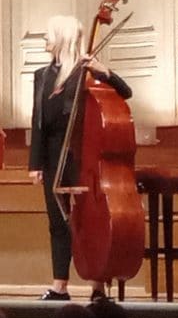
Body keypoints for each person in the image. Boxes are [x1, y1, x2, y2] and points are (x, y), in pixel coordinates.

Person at [29, 15, 131, 301]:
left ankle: (98, 285)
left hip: (84, 155)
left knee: (90, 222)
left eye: (48, 33)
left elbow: (126, 92)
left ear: (62, 37)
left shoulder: (87, 72)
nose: (44, 38)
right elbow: (38, 122)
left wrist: (104, 72)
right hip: (53, 155)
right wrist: (35, 163)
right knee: (57, 222)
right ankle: (59, 285)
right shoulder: (41, 75)